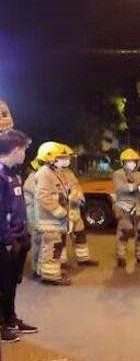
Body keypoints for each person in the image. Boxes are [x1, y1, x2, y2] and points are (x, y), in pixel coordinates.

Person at [0, 128, 38, 343]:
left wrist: (23, 235)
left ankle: (11, 319)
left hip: (18, 238)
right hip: (5, 241)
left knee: (12, 283)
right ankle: (4, 324)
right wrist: (6, 240)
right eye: (24, 149)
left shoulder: (12, 173)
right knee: (3, 284)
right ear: (15, 150)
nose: (25, 153)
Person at [34, 142, 72, 285]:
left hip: (55, 218)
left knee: (51, 246)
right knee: (51, 247)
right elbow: (43, 196)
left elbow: (61, 192)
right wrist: (60, 211)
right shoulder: (45, 173)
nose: (66, 160)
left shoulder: (55, 172)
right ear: (51, 158)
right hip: (49, 218)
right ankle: (50, 277)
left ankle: (45, 271)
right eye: (62, 157)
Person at [57, 144, 98, 267]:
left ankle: (83, 258)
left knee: (80, 233)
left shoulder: (69, 172)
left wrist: (79, 196)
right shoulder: (50, 173)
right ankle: (61, 261)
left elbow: (76, 186)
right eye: (64, 157)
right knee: (61, 236)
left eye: (68, 157)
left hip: (74, 209)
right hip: (61, 210)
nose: (68, 160)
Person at [113, 149, 140, 268]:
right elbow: (121, 188)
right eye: (129, 161)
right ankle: (121, 257)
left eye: (134, 161)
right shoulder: (118, 174)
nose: (132, 163)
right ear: (123, 162)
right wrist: (137, 187)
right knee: (124, 232)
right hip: (125, 209)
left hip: (139, 208)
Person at [23, 157, 42, 277]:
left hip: (36, 213)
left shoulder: (36, 177)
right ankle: (36, 269)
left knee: (39, 242)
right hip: (33, 214)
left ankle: (39, 267)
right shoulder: (32, 178)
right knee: (37, 241)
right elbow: (39, 194)